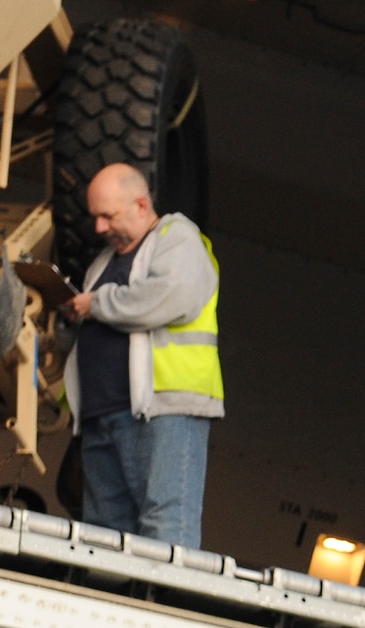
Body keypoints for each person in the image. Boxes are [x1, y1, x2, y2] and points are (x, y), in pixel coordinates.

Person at [62, 162, 223, 549]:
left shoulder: (177, 238)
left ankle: (162, 610)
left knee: (166, 527)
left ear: (140, 203)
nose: (99, 227)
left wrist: (96, 303)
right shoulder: (104, 262)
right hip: (102, 416)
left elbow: (173, 297)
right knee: (104, 535)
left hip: (163, 411)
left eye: (108, 215)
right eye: (95, 217)